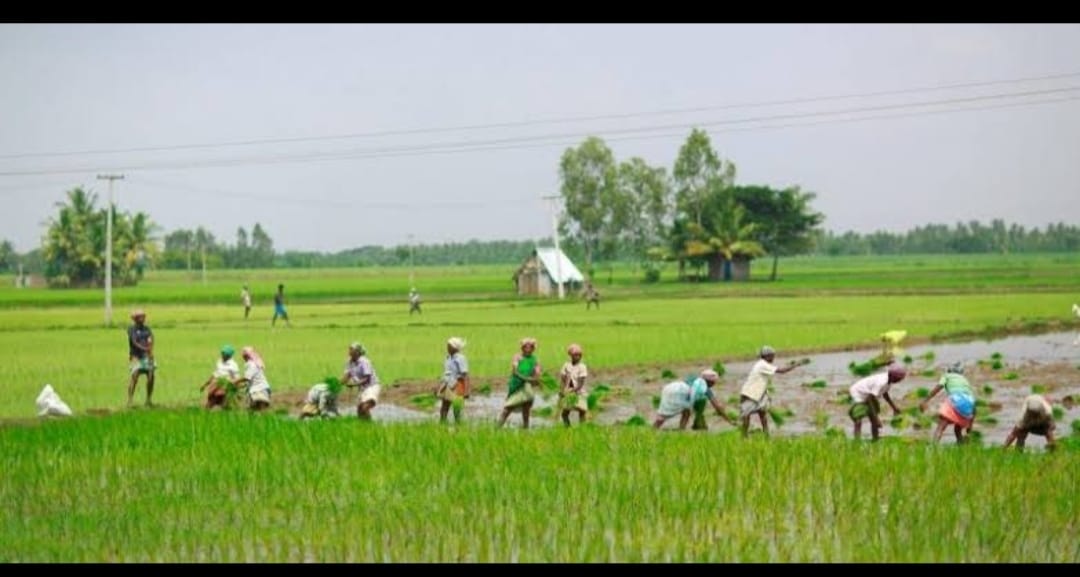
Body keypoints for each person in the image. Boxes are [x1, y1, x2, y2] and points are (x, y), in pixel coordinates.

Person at [739, 346, 809, 438]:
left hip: (758, 394)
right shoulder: (762, 365)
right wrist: (796, 365)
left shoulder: (762, 364)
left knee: (763, 414)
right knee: (746, 416)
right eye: (772, 356)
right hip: (749, 394)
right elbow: (782, 371)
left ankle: (766, 436)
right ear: (767, 356)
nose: (773, 358)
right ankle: (744, 437)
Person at [653, 369, 732, 430]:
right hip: (678, 393)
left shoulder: (695, 379)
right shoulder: (705, 387)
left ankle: (681, 430)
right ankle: (653, 429)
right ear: (710, 382)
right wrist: (728, 420)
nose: (714, 384)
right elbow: (717, 406)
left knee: (686, 412)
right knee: (663, 415)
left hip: (671, 387)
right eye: (714, 383)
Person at [919, 361, 975, 444]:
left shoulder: (947, 376)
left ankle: (933, 447)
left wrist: (926, 400)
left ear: (949, 370)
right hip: (968, 404)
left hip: (956, 400)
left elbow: (939, 387)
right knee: (958, 430)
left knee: (941, 427)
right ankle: (961, 446)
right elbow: (972, 403)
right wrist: (970, 425)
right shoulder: (965, 380)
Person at [849, 365, 907, 441]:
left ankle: (875, 438)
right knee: (859, 416)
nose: (899, 381)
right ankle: (857, 440)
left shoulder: (888, 381)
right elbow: (870, 398)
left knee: (873, 416)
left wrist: (894, 407)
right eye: (898, 379)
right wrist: (877, 418)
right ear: (893, 377)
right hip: (859, 392)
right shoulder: (881, 382)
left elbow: (885, 394)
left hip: (870, 395)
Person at [498, 338, 542, 429]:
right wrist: (527, 378)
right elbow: (515, 372)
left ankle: (526, 430)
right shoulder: (517, 357)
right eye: (526, 347)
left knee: (526, 410)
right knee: (507, 408)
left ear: (533, 349)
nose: (528, 349)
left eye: (531, 347)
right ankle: (497, 428)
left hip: (527, 388)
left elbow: (537, 373)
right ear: (522, 348)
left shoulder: (534, 360)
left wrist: (537, 379)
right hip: (516, 385)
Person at [126, 309, 156, 408]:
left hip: (146, 355)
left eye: (143, 316)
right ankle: (130, 400)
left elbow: (151, 339)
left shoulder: (147, 329)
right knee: (135, 376)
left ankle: (148, 399)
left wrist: (150, 351)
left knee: (151, 375)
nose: (143, 318)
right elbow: (135, 342)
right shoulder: (131, 329)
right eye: (140, 316)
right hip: (136, 356)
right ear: (135, 319)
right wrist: (146, 348)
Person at [436, 337, 470, 423]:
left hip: (458, 385)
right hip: (448, 384)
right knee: (444, 408)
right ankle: (442, 425)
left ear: (454, 348)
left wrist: (466, 391)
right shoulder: (448, 358)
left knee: (456, 410)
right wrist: (441, 387)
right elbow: (446, 374)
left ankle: (458, 427)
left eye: (449, 345)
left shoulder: (460, 358)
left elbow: (465, 375)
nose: (447, 347)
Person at [343, 342, 380, 421]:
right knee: (359, 409)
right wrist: (337, 384)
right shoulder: (349, 362)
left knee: (365, 407)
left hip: (371, 386)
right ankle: (364, 426)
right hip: (362, 388)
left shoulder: (364, 362)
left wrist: (353, 384)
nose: (349, 351)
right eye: (349, 349)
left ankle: (370, 426)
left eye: (351, 349)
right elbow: (347, 375)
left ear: (357, 352)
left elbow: (367, 378)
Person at [199, 344, 240, 409]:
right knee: (209, 400)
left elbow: (236, 378)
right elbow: (215, 374)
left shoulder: (233, 365)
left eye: (224, 353)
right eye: (222, 353)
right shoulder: (219, 361)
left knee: (223, 401)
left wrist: (235, 387)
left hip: (226, 386)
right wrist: (205, 384)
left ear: (228, 355)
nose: (222, 355)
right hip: (215, 385)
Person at [559, 343, 589, 427]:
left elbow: (581, 383)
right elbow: (563, 379)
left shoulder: (582, 367)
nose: (578, 357)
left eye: (579, 355)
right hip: (569, 393)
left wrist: (573, 390)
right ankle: (568, 429)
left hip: (579, 392)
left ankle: (582, 429)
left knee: (582, 412)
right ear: (570, 355)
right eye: (575, 355)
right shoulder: (566, 366)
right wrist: (561, 390)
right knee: (564, 414)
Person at [235, 346, 272, 411]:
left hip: (259, 390)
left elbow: (247, 378)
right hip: (259, 388)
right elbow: (250, 381)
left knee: (259, 409)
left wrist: (235, 381)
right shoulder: (253, 363)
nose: (243, 357)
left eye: (244, 355)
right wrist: (240, 386)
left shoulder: (252, 364)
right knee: (254, 410)